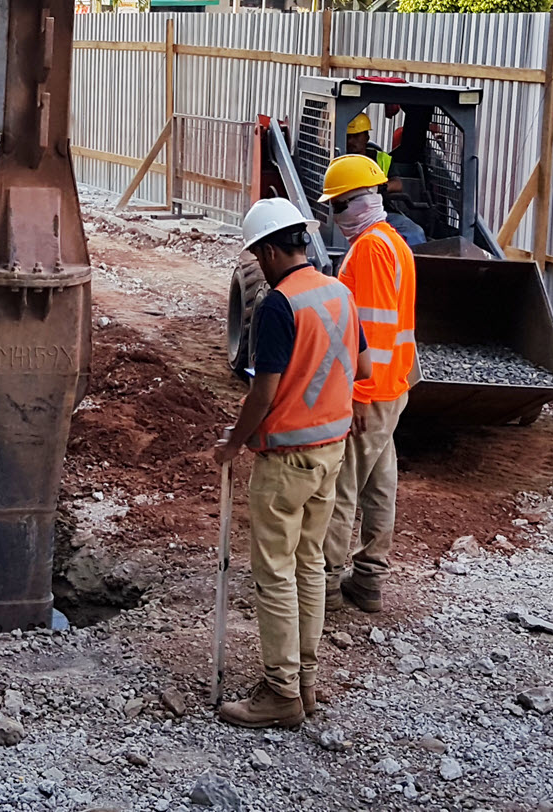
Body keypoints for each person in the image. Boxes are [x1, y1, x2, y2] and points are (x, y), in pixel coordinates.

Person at [212, 198, 370, 729]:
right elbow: (363, 364)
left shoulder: (278, 305)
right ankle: (305, 682)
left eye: (260, 254)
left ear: (274, 249)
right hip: (331, 451)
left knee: (275, 573)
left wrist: (235, 441)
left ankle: (280, 693)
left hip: (285, 461)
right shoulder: (340, 294)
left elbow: (264, 391)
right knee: (309, 567)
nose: (259, 263)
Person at [316, 153, 418, 614]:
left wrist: (357, 395)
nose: (335, 217)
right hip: (393, 385)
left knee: (343, 488)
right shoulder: (395, 242)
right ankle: (370, 579)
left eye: (337, 206)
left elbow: (372, 329)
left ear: (356, 203)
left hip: (371, 391)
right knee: (380, 484)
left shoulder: (372, 249)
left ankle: (328, 586)